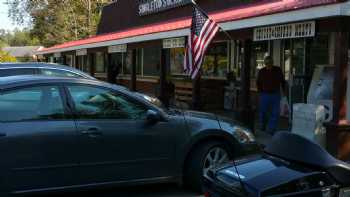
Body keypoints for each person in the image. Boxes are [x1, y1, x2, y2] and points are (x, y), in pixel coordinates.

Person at [257, 56, 286, 135]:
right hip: (264, 94)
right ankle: (263, 125)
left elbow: (283, 82)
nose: (268, 65)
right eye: (266, 63)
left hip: (275, 94)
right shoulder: (261, 71)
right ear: (264, 63)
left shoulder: (278, 70)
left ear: (272, 63)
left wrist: (284, 92)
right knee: (263, 112)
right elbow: (258, 82)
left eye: (270, 63)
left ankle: (271, 129)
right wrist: (260, 92)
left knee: (275, 113)